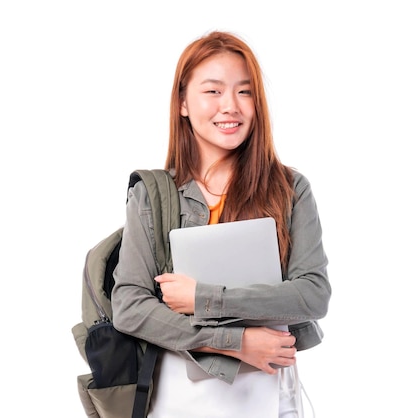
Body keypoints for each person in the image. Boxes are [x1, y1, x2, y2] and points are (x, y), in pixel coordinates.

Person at [111, 30, 331, 418]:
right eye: (213, 91)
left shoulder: (290, 189)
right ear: (182, 102)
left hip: (270, 397)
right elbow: (129, 306)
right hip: (179, 401)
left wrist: (204, 298)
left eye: (244, 92)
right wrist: (234, 341)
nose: (230, 106)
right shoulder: (154, 195)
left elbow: (313, 295)